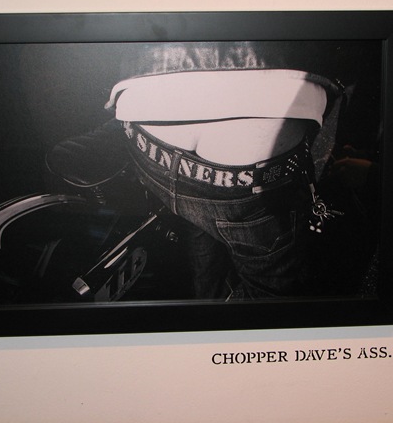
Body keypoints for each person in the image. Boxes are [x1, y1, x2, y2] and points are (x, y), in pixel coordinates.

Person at [101, 41, 348, 300]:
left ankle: (208, 302)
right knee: (270, 287)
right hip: (249, 166)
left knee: (195, 232)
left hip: (146, 130)